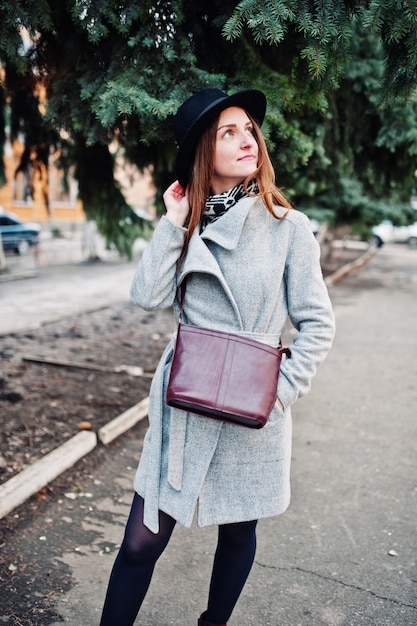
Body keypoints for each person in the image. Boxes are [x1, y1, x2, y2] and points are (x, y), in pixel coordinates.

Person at [99, 88, 335, 625]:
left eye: (248, 128)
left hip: (251, 406)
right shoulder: (190, 221)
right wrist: (172, 221)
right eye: (228, 132)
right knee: (139, 543)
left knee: (239, 531)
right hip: (184, 406)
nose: (246, 139)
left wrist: (282, 390)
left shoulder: (286, 226)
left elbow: (317, 322)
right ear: (204, 150)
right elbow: (148, 297)